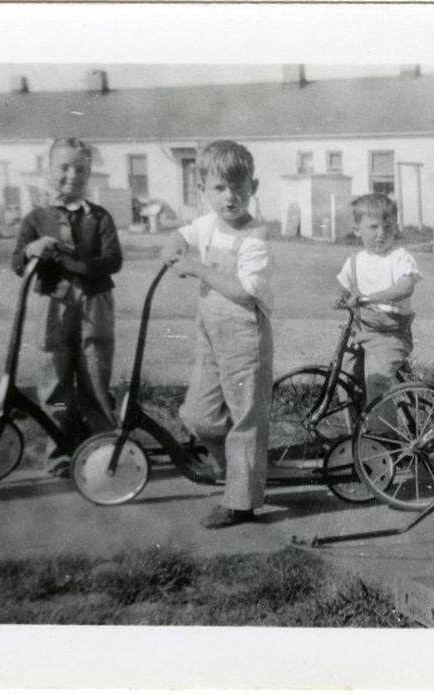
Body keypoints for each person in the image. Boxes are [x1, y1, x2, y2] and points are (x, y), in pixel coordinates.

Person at [160, 140, 274, 529]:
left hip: (244, 332)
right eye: (220, 188)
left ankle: (240, 502)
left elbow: (245, 290)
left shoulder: (255, 236)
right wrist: (172, 245)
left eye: (239, 187)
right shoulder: (206, 225)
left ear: (253, 188)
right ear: (203, 191)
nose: (230, 196)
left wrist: (198, 269)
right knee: (198, 414)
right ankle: (229, 467)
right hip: (210, 329)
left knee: (245, 417)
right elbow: (182, 235)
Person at [10, 137, 122, 477]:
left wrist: (71, 262)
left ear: (89, 175)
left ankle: (104, 450)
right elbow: (17, 262)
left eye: (81, 169)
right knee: (54, 378)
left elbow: (112, 261)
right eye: (64, 167)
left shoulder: (99, 217)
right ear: (48, 170)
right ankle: (59, 450)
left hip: (94, 305)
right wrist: (32, 250)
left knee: (95, 375)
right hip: (52, 304)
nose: (72, 175)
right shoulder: (35, 218)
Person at [335, 193, 422, 413]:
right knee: (344, 378)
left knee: (376, 380)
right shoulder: (354, 261)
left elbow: (405, 287)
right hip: (360, 330)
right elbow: (343, 285)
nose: (381, 234)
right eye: (373, 227)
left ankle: (382, 438)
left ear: (396, 228)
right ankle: (353, 434)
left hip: (390, 335)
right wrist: (340, 297)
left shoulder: (400, 257)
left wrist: (370, 298)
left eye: (388, 226)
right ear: (357, 230)